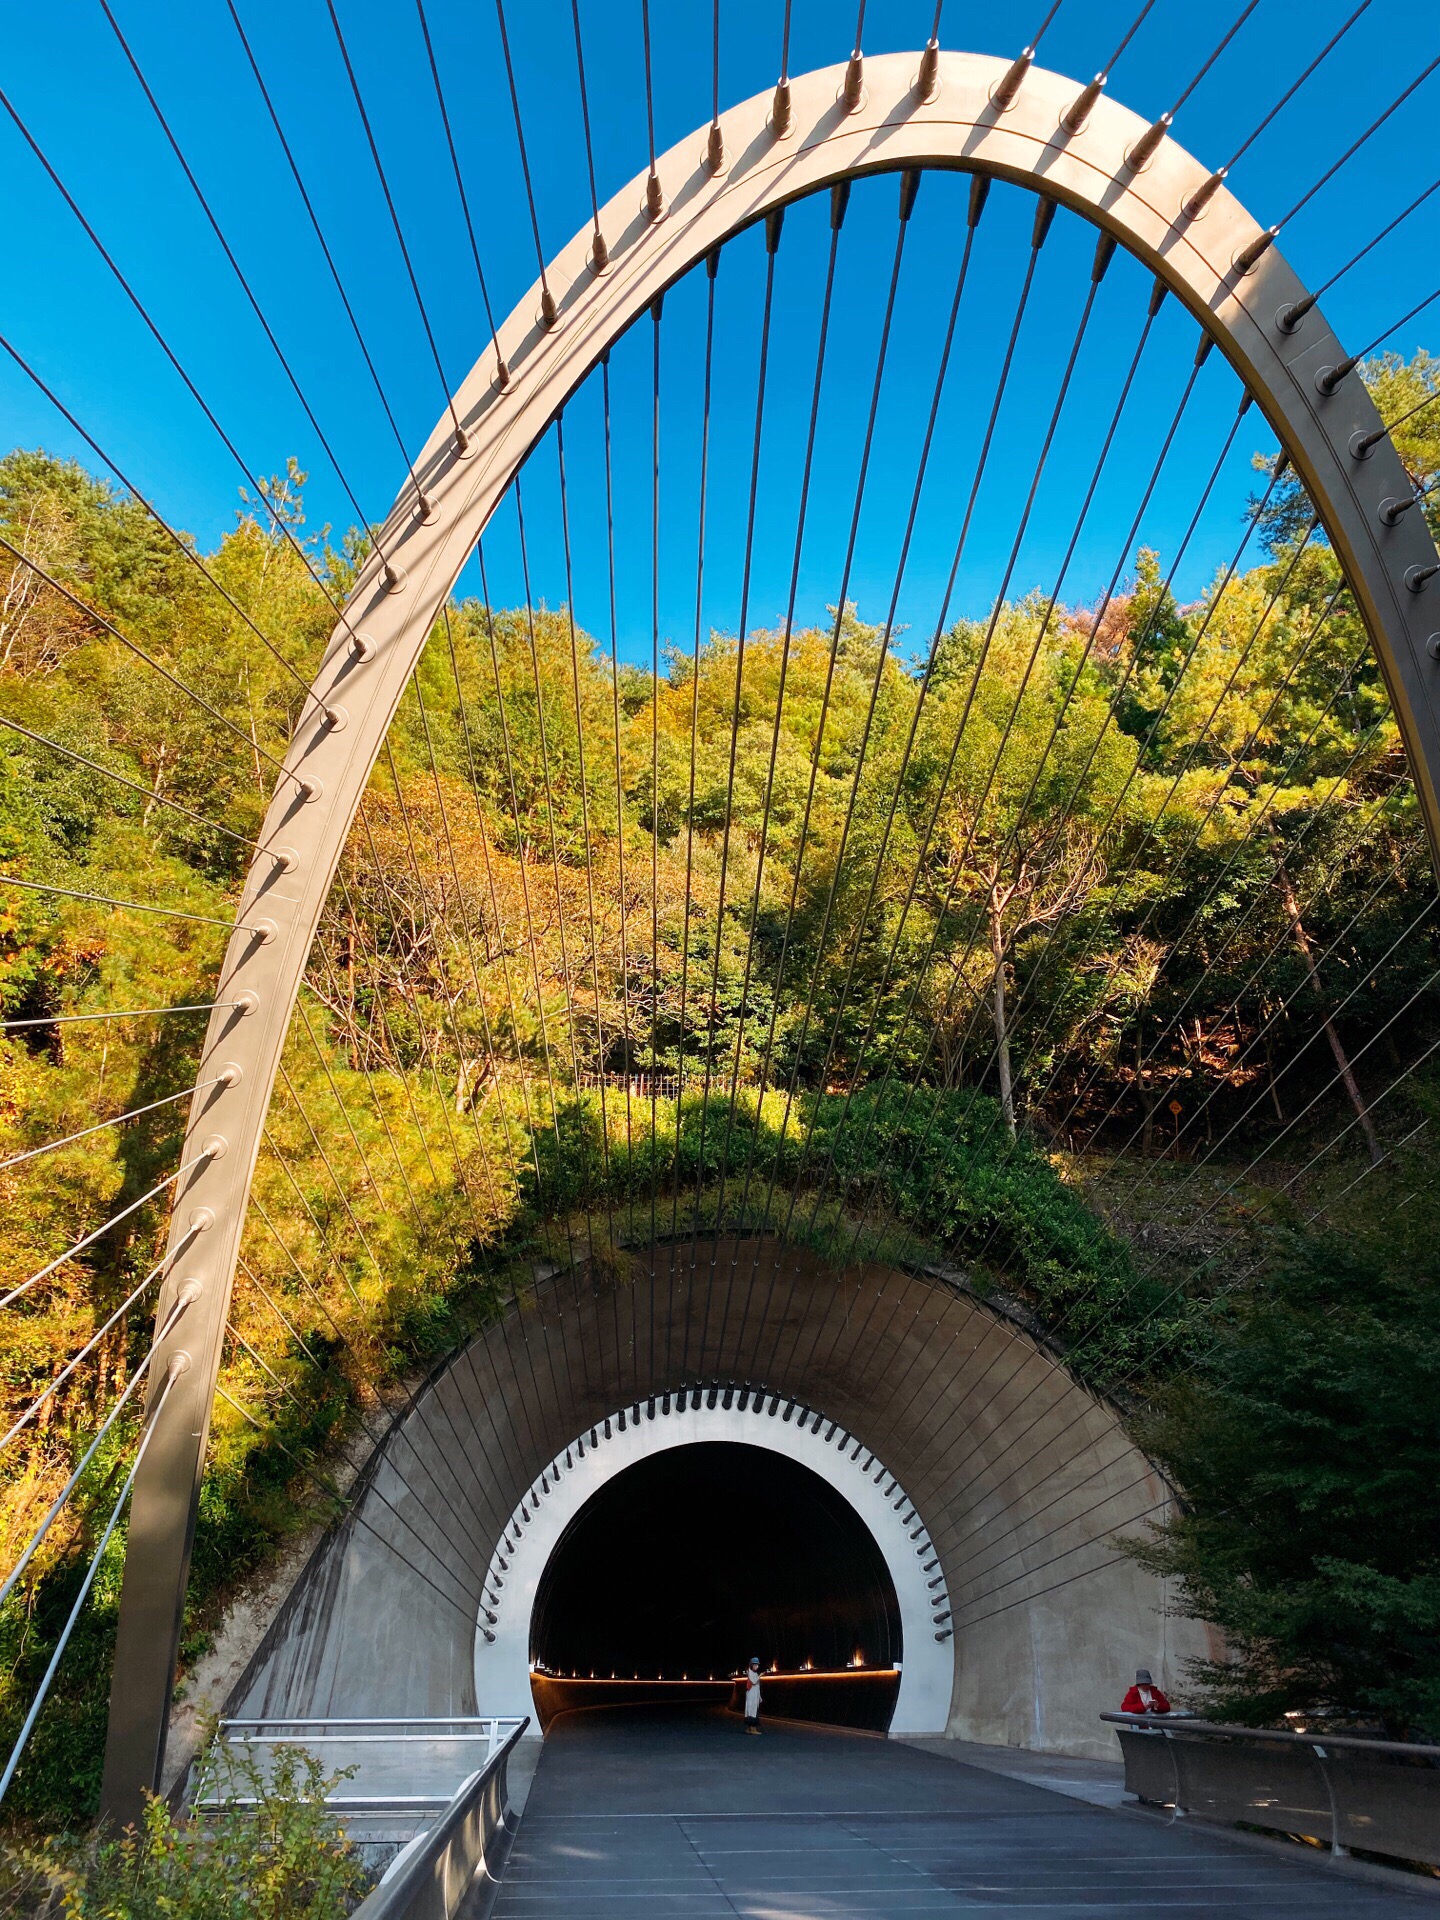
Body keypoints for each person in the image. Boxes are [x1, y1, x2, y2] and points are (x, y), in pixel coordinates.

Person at [742, 1657, 762, 1734]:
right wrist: (760, 1676)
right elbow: (754, 1682)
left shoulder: (755, 1673)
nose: (757, 1666)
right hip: (751, 1695)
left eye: (757, 1665)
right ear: (751, 1665)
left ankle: (750, 1728)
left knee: (753, 1711)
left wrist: (759, 1696)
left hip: (755, 1695)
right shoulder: (750, 1672)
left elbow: (758, 1687)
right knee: (751, 1711)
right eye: (755, 1665)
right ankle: (752, 1729)